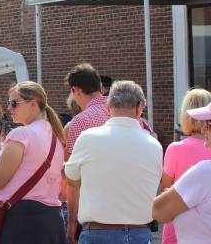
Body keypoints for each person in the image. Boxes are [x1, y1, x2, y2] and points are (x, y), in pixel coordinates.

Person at [65, 81, 163, 244]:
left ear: (108, 108)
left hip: (97, 233)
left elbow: (71, 179)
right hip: (140, 233)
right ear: (140, 107)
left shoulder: (88, 138)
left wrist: (71, 222)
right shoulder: (154, 145)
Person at [0, 81, 66, 243]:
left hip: (22, 220)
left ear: (33, 104)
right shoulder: (56, 136)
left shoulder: (22, 134)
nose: (9, 108)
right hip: (52, 219)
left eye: (14, 103)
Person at [153, 102, 211, 244]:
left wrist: (173, 191)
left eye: (208, 124)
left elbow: (158, 210)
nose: (203, 129)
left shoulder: (204, 171)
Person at [64, 63, 109, 242]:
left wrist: (71, 223)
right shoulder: (127, 114)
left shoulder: (80, 121)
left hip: (93, 214)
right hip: (132, 215)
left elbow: (71, 178)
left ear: (76, 90)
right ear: (100, 86)